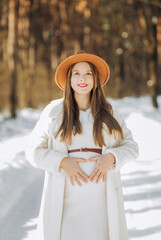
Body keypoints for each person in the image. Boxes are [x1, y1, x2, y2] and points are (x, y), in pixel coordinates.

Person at [25, 50, 139, 240]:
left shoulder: (109, 111)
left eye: (88, 73)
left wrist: (111, 157)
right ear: (69, 79)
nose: (82, 78)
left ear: (95, 79)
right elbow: (32, 151)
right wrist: (61, 161)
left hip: (102, 202)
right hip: (65, 201)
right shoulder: (54, 111)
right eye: (76, 73)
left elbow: (132, 147)